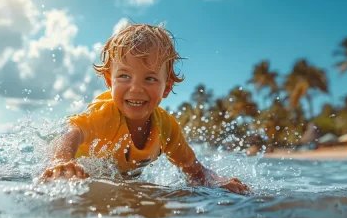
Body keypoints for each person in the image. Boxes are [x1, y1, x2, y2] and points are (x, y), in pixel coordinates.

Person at [40, 23, 249, 194]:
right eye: (124, 76)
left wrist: (218, 183)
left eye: (149, 78)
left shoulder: (166, 127)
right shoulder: (105, 113)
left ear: (166, 87)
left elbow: (194, 170)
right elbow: (70, 131)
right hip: (74, 162)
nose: (136, 88)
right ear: (109, 81)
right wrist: (60, 160)